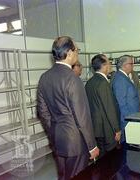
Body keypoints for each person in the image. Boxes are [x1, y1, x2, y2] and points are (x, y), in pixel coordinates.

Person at [37, 36, 99, 180]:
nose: (77, 53)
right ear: (69, 52)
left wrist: (54, 131)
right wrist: (92, 146)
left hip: (57, 139)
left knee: (63, 176)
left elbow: (43, 112)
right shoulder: (73, 79)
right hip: (76, 142)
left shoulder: (44, 77)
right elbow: (82, 117)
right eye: (76, 50)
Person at [85, 54, 121, 157]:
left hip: (95, 128)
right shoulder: (103, 83)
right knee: (110, 159)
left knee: (101, 159)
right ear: (104, 65)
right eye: (109, 63)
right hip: (106, 129)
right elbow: (109, 109)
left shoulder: (89, 82)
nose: (110, 65)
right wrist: (117, 130)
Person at [111, 55, 140, 142]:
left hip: (131, 117)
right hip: (127, 120)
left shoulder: (124, 77)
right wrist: (128, 120)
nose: (133, 66)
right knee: (127, 144)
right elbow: (121, 103)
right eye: (131, 63)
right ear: (124, 65)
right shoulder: (120, 79)